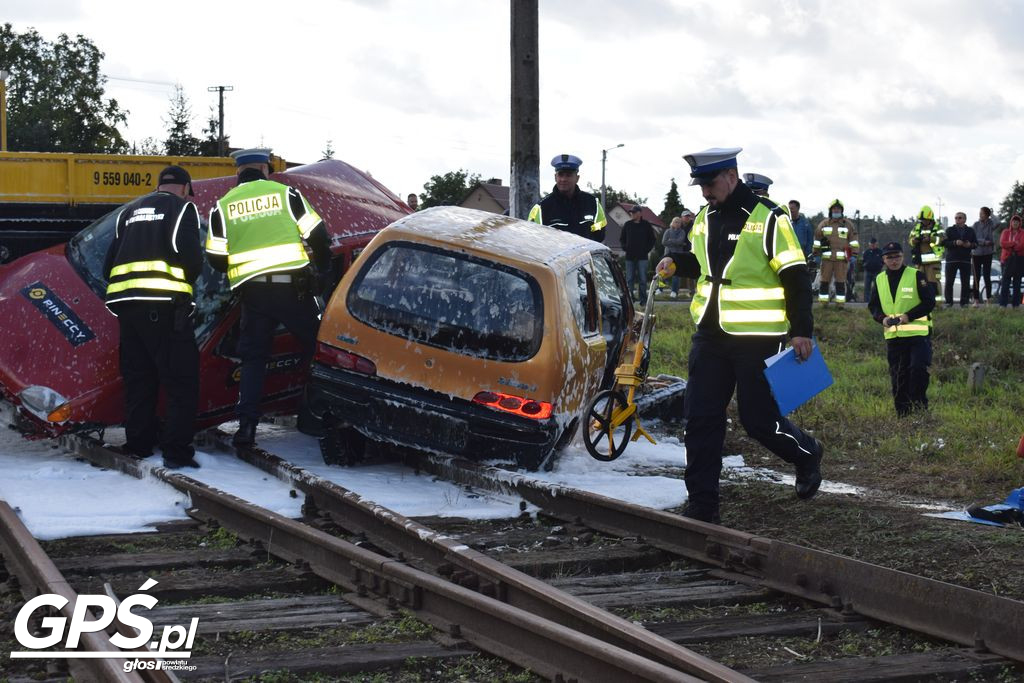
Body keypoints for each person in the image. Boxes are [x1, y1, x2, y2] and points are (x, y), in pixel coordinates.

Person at [657, 147, 822, 524]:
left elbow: (795, 277)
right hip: (710, 335)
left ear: (731, 175)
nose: (704, 192)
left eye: (710, 184)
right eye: (700, 186)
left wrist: (802, 331)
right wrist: (675, 262)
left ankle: (807, 453)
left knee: (759, 421)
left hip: (758, 338)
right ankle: (702, 504)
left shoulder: (769, 219)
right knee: (700, 418)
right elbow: (702, 263)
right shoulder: (704, 217)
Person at [206, 148, 332, 447]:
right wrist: (323, 273)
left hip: (253, 295)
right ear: (265, 169)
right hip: (293, 290)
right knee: (318, 349)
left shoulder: (222, 207)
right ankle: (323, 416)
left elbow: (215, 259)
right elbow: (318, 236)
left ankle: (247, 428)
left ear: (238, 173)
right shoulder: (286, 194)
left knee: (253, 360)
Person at [103, 165, 203, 469]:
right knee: (181, 381)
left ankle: (139, 444)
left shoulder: (129, 211)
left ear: (159, 185)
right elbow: (192, 262)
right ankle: (176, 452)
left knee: (139, 378)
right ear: (185, 188)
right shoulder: (184, 209)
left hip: (126, 308)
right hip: (163, 307)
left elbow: (109, 265)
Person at [867, 242, 935, 417]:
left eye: (897, 256)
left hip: (918, 335)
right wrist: (882, 319)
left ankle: (920, 410)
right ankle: (903, 415)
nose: (894, 260)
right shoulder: (879, 279)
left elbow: (929, 302)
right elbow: (873, 306)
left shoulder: (916, 275)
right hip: (894, 337)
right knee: (898, 376)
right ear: (883, 259)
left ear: (902, 256)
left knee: (918, 370)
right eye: (889, 257)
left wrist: (908, 316)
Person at [528, 154, 607, 241]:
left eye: (568, 175)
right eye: (560, 175)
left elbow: (600, 234)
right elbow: (533, 240)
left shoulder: (592, 203)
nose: (563, 179)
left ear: (577, 178)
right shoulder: (541, 207)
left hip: (585, 253)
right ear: (555, 177)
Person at [814, 199, 859, 305]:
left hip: (842, 260)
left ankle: (840, 304)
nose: (836, 210)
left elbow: (854, 240)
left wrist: (854, 255)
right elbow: (817, 239)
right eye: (834, 208)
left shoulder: (848, 225)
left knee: (840, 282)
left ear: (842, 210)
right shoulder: (824, 224)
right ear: (830, 210)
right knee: (824, 281)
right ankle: (823, 303)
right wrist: (816, 254)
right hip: (826, 260)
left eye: (838, 209)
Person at [620, 204, 656, 302]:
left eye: (634, 212)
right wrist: (625, 248)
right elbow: (622, 239)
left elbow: (652, 239)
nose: (632, 214)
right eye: (631, 212)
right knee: (629, 279)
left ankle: (643, 299)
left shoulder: (646, 225)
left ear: (640, 213)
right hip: (629, 257)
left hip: (642, 257)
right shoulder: (627, 225)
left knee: (643, 280)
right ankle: (630, 299)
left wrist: (646, 249)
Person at [941, 212, 977, 307]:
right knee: (949, 282)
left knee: (965, 282)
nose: (957, 219)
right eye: (956, 218)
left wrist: (970, 245)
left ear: (964, 219)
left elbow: (976, 244)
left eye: (960, 218)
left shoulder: (970, 231)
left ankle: (964, 302)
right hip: (952, 259)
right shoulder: (949, 230)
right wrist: (954, 242)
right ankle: (949, 302)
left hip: (965, 259)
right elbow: (944, 243)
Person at [908, 206, 943, 296]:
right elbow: (910, 240)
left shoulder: (938, 227)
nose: (924, 221)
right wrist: (914, 240)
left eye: (925, 219)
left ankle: (937, 305)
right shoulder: (917, 228)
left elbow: (943, 239)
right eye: (922, 219)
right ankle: (923, 305)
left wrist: (930, 239)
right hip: (920, 262)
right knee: (921, 284)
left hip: (933, 262)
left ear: (930, 219)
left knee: (934, 283)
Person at [662, 211, 694, 298]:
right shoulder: (669, 230)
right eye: (685, 216)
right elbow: (664, 242)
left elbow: (681, 241)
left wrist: (671, 241)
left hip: (688, 251)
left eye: (688, 216)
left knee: (686, 272)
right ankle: (660, 288)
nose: (687, 218)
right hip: (672, 253)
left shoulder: (691, 227)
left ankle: (689, 291)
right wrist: (678, 243)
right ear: (682, 217)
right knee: (665, 271)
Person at [971, 206, 998, 304]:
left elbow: (998, 222)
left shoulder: (991, 224)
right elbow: (973, 238)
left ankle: (989, 298)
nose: (980, 215)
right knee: (976, 277)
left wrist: (992, 213)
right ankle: (976, 299)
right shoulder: (976, 225)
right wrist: (983, 242)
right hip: (976, 253)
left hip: (988, 253)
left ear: (987, 215)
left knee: (987, 276)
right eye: (980, 213)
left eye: (982, 213)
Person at [998, 215, 1024, 308]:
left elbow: (1021, 245)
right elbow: (1002, 243)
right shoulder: (1005, 232)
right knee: (1005, 282)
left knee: (1017, 283)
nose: (1015, 223)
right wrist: (1013, 243)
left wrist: (1011, 246)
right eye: (1014, 221)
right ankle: (1003, 304)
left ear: (1019, 223)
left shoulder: (1022, 233)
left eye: (1017, 222)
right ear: (1011, 222)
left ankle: (1016, 304)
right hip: (1006, 260)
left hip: (1019, 259)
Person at [861, 237, 884, 305]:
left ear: (876, 244)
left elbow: (883, 261)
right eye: (872, 244)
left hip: (877, 272)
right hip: (868, 272)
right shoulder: (866, 252)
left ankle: (877, 301)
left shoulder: (880, 252)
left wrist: (880, 265)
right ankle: (866, 302)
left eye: (874, 244)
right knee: (867, 287)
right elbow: (863, 261)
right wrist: (865, 265)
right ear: (869, 244)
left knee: (877, 287)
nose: (873, 245)